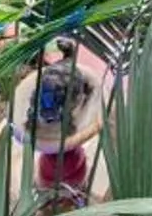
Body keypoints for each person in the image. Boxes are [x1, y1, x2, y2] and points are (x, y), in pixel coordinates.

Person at [9, 35, 111, 204]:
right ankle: (59, 195)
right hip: (55, 90)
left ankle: (58, 195)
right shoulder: (53, 88)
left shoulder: (69, 79)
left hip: (60, 88)